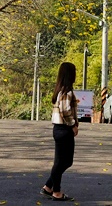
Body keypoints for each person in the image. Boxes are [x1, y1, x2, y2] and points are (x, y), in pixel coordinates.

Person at [41, 62, 79, 202]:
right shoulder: (66, 92)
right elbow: (65, 111)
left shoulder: (61, 90)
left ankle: (48, 187)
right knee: (63, 162)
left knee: (63, 161)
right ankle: (56, 191)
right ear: (70, 74)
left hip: (59, 129)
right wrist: (73, 125)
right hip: (64, 129)